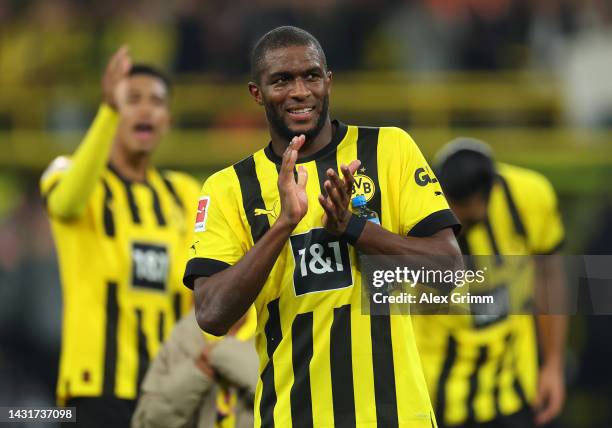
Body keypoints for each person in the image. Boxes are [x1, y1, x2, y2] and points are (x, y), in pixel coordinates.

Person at [183, 26, 462, 427]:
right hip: (292, 417)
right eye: (281, 80)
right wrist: (283, 225)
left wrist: (353, 227)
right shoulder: (229, 188)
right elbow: (211, 314)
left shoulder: (389, 149)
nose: (300, 91)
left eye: (311, 76)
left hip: (397, 416)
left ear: (328, 81)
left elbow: (449, 271)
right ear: (256, 93)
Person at [40, 46, 199, 427]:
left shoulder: (185, 194)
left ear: (168, 120)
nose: (145, 110)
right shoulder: (72, 175)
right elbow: (65, 204)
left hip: (172, 391)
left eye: (156, 101)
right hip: (96, 390)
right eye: (132, 100)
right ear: (111, 109)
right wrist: (108, 112)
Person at [413, 138, 567, 428]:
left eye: (467, 221)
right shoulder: (411, 209)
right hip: (433, 401)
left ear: (488, 196)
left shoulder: (529, 197)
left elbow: (548, 275)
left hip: (515, 391)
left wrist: (553, 364)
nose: (457, 228)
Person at [131, 308, 259, 428]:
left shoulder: (272, 325)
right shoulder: (183, 336)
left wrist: (217, 353)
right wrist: (197, 371)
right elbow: (146, 422)